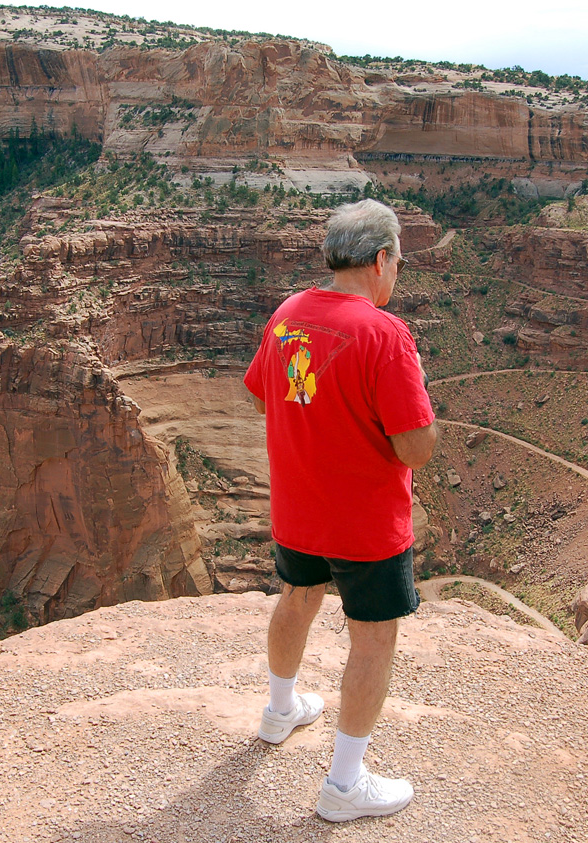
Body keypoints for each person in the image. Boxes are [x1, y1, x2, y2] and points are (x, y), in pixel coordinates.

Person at [243, 198, 438, 822]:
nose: (397, 273)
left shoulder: (287, 315)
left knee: (297, 598)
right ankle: (345, 786)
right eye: (398, 262)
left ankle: (280, 713)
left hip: (299, 509)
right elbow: (415, 448)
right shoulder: (385, 334)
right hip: (365, 524)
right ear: (382, 259)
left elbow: (260, 398)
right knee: (373, 639)